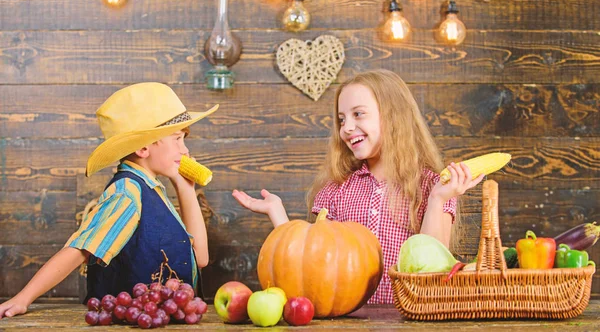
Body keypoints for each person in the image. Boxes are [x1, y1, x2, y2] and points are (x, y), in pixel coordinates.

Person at [232, 69, 483, 304]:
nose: (347, 128)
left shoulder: (432, 185)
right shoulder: (336, 190)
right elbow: (311, 263)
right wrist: (278, 214)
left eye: (358, 114)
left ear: (393, 116)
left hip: (410, 319)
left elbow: (431, 270)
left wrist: (437, 200)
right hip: (350, 322)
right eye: (341, 119)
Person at [0, 82, 218, 318]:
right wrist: (24, 299)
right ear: (143, 147)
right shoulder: (127, 193)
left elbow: (200, 258)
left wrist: (185, 187)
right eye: (177, 139)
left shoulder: (154, 189)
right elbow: (81, 249)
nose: (185, 150)